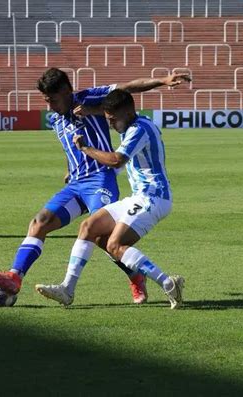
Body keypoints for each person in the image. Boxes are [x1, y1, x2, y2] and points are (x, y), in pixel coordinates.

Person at [0, 68, 190, 305]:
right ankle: (15, 277)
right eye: (46, 101)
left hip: (101, 180)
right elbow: (71, 150)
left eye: (53, 100)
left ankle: (136, 276)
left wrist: (162, 80)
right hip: (77, 184)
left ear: (67, 92)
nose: (50, 106)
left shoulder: (90, 99)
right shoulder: (57, 120)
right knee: (40, 222)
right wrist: (70, 169)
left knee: (103, 238)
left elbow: (127, 88)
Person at [35, 89, 186, 309]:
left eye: (113, 120)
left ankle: (168, 283)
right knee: (90, 227)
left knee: (115, 245)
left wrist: (85, 148)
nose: (112, 125)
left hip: (154, 198)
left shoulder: (139, 129)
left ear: (127, 112)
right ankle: (67, 289)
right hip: (138, 197)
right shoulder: (133, 125)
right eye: (109, 120)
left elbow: (116, 160)